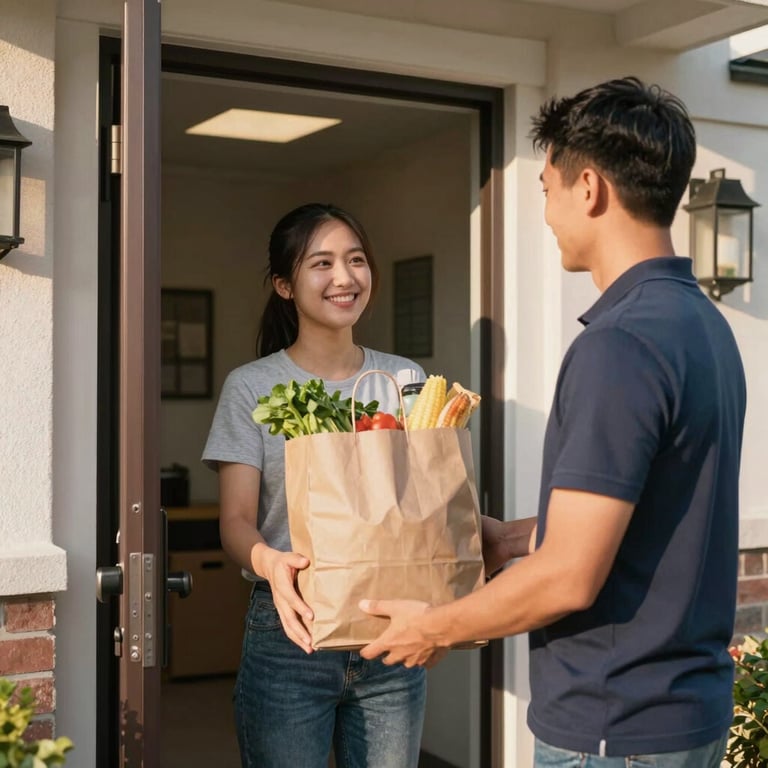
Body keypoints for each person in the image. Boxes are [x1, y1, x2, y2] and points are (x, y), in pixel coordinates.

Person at [358, 76, 747, 767]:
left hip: (614, 729)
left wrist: (434, 627)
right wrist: (511, 537)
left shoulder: (618, 344)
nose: (545, 211)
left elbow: (569, 577)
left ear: (589, 187)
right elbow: (653, 509)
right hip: (685, 716)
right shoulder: (703, 326)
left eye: (546, 188)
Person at [202, 203, 427, 768]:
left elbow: (426, 501)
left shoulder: (405, 381)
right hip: (291, 630)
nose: (345, 277)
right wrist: (267, 561)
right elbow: (234, 520)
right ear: (285, 284)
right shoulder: (252, 387)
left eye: (355, 260)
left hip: (389, 632)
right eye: (321, 263)